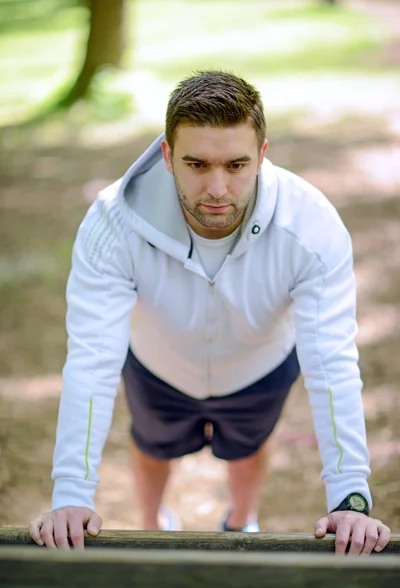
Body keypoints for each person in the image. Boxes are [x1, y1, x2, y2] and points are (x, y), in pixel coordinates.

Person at [29, 70, 390, 554]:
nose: (217, 189)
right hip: (159, 363)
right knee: (152, 445)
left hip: (259, 364)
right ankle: (155, 522)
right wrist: (72, 494)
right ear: (166, 156)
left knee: (249, 444)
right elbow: (92, 359)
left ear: (262, 156)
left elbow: (332, 362)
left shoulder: (312, 224)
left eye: (236, 165)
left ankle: (242, 521)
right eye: (196, 164)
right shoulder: (112, 223)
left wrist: (351, 496)